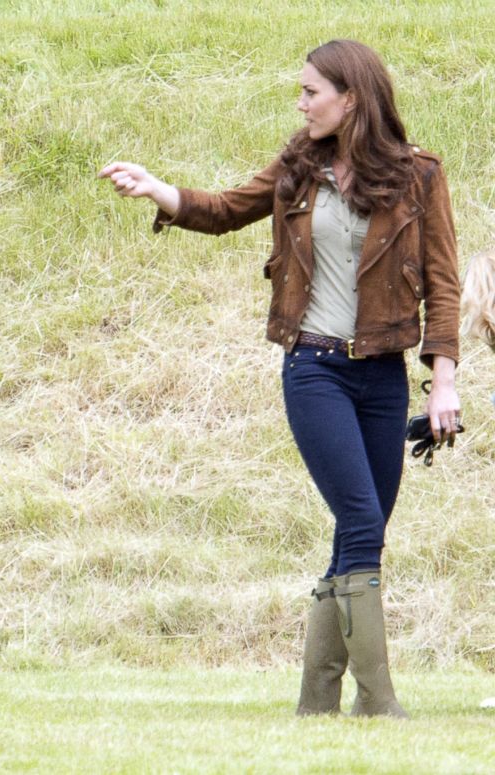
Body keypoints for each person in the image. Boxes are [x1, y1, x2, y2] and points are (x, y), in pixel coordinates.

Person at [99, 39, 461, 718]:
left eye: (310, 92)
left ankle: (316, 702)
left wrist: (443, 382)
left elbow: (443, 284)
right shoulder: (299, 167)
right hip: (315, 369)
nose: (300, 104)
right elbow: (224, 208)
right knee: (359, 518)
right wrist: (159, 189)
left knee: (365, 530)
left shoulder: (420, 176)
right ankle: (378, 702)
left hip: (382, 377)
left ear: (350, 97)